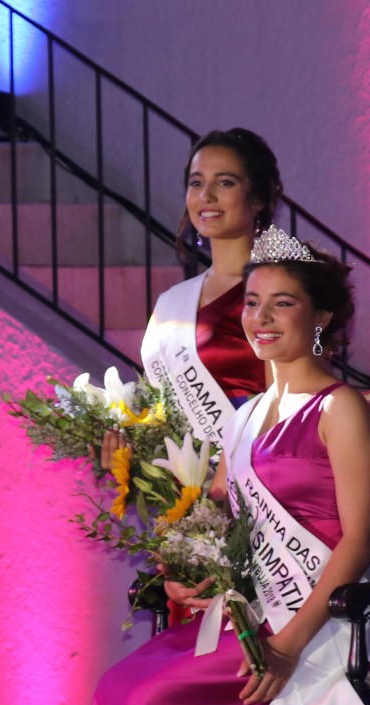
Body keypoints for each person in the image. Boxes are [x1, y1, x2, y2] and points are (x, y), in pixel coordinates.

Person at [74, 226, 370, 705]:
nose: (260, 317)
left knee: (147, 701)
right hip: (251, 616)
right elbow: (219, 517)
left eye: (282, 303)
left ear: (321, 317)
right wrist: (181, 574)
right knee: (117, 689)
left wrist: (287, 648)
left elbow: (361, 538)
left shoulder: (340, 407)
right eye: (251, 302)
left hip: (317, 625)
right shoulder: (245, 415)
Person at [100, 127, 281, 470]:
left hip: (253, 481)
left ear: (257, 198)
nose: (206, 196)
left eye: (224, 182)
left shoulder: (277, 294)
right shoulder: (172, 301)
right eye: (196, 183)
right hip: (185, 493)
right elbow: (161, 404)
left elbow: (287, 409)